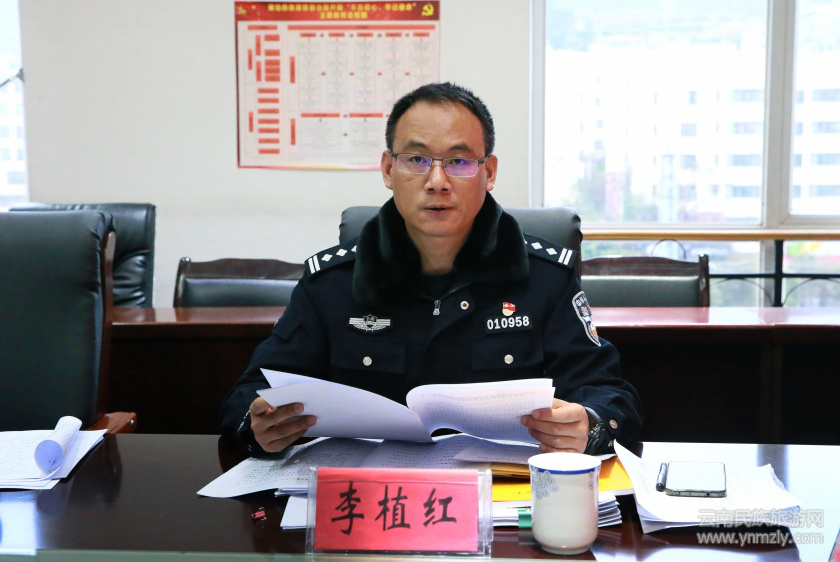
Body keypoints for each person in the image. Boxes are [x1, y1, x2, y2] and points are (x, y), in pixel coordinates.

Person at [220, 82, 642, 457]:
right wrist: (259, 428)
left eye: (459, 162)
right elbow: (249, 396)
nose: (437, 181)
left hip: (501, 496)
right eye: (417, 159)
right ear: (389, 169)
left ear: (489, 172)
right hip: (367, 496)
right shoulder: (331, 283)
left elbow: (608, 394)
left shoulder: (546, 277)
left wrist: (590, 424)